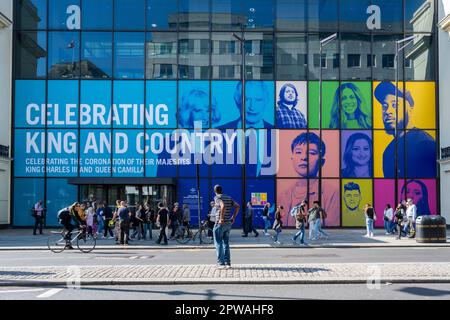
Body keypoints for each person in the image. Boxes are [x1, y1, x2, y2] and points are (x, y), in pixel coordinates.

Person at [374, 81, 436, 178]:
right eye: (384, 107)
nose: (388, 111)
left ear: (410, 109)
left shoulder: (424, 144)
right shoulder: (388, 151)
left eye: (395, 105)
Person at [278, 132, 339, 227]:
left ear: (322, 162)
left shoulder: (332, 194)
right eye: (298, 152)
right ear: (292, 159)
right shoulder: (283, 195)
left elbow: (332, 225)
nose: (304, 157)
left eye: (311, 153)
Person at [213, 184, 240, 269]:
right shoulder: (228, 197)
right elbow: (237, 206)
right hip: (228, 223)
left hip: (220, 223)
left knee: (218, 243)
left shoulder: (217, 198)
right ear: (222, 190)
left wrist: (221, 218)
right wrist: (233, 217)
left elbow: (223, 206)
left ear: (215, 191)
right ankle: (227, 263)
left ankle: (221, 264)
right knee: (226, 243)